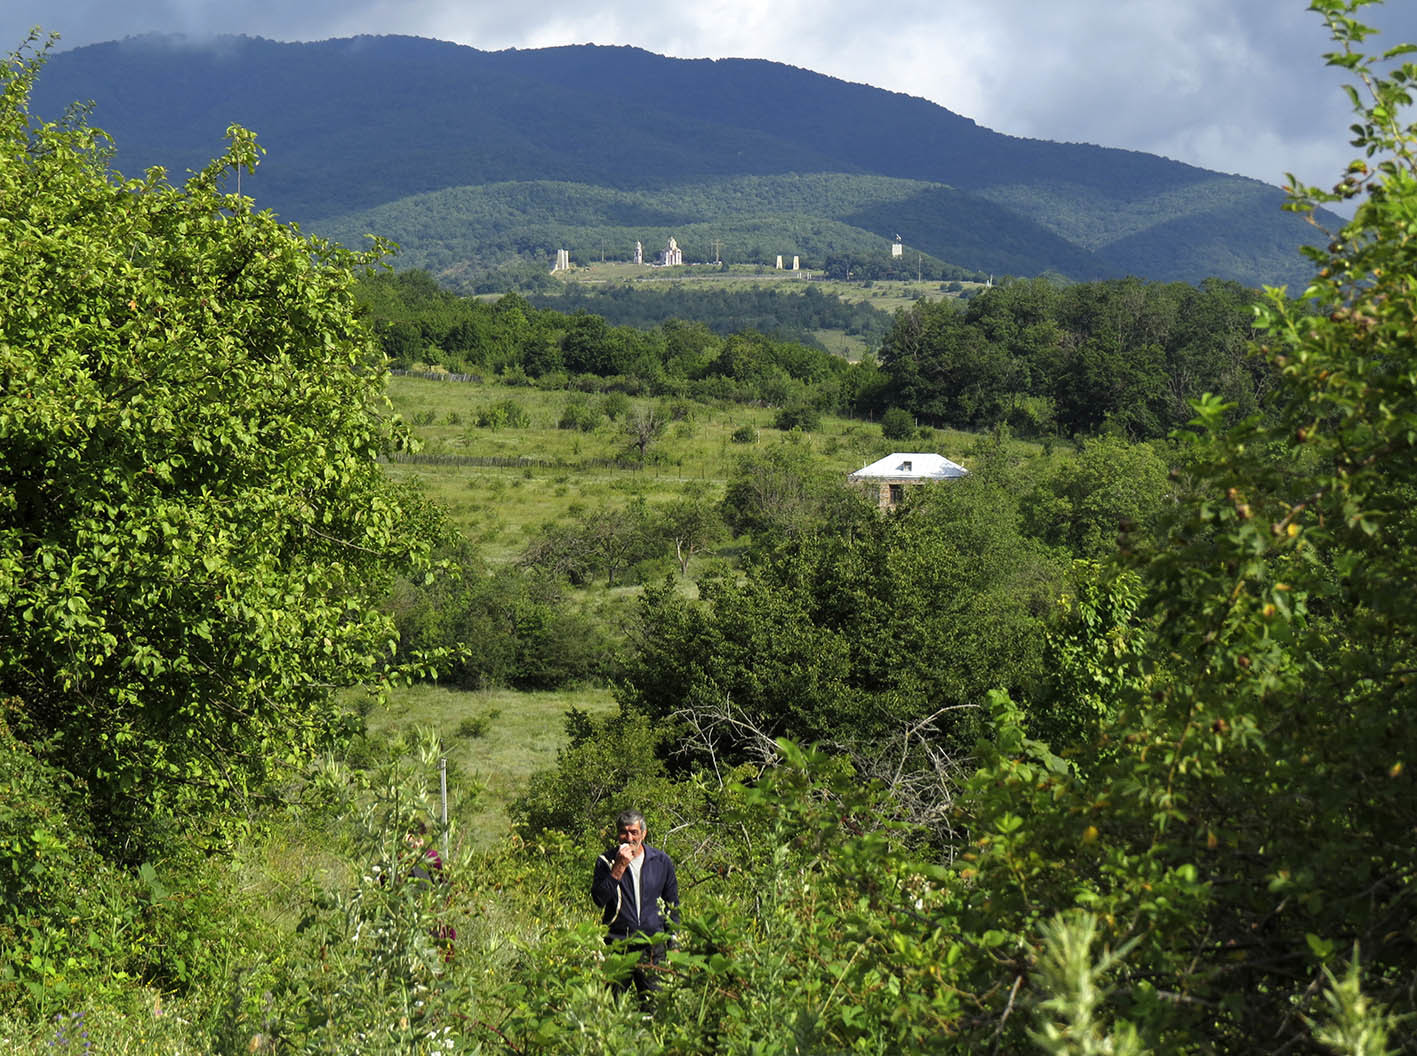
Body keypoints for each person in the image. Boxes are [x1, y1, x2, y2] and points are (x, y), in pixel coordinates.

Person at [590, 809, 679, 998]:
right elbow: (599, 899)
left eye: (634, 832)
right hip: (618, 945)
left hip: (653, 947)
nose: (628, 837)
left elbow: (672, 906)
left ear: (643, 834)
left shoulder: (661, 861)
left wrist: (674, 943)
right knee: (611, 1006)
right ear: (617, 833)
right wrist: (619, 867)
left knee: (654, 1005)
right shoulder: (606, 861)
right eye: (624, 832)